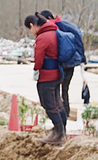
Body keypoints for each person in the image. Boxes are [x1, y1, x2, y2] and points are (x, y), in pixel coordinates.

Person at [25, 13, 66, 145]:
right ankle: (60, 130)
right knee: (57, 104)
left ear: (32, 25)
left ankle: (59, 135)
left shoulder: (43, 37)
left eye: (30, 29)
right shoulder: (54, 31)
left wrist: (35, 70)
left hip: (47, 76)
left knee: (50, 105)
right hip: (57, 74)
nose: (31, 32)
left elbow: (38, 60)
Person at [41, 10, 86, 116]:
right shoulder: (64, 25)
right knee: (64, 89)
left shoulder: (55, 27)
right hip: (70, 62)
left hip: (64, 62)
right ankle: (65, 112)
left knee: (56, 89)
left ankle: (62, 114)